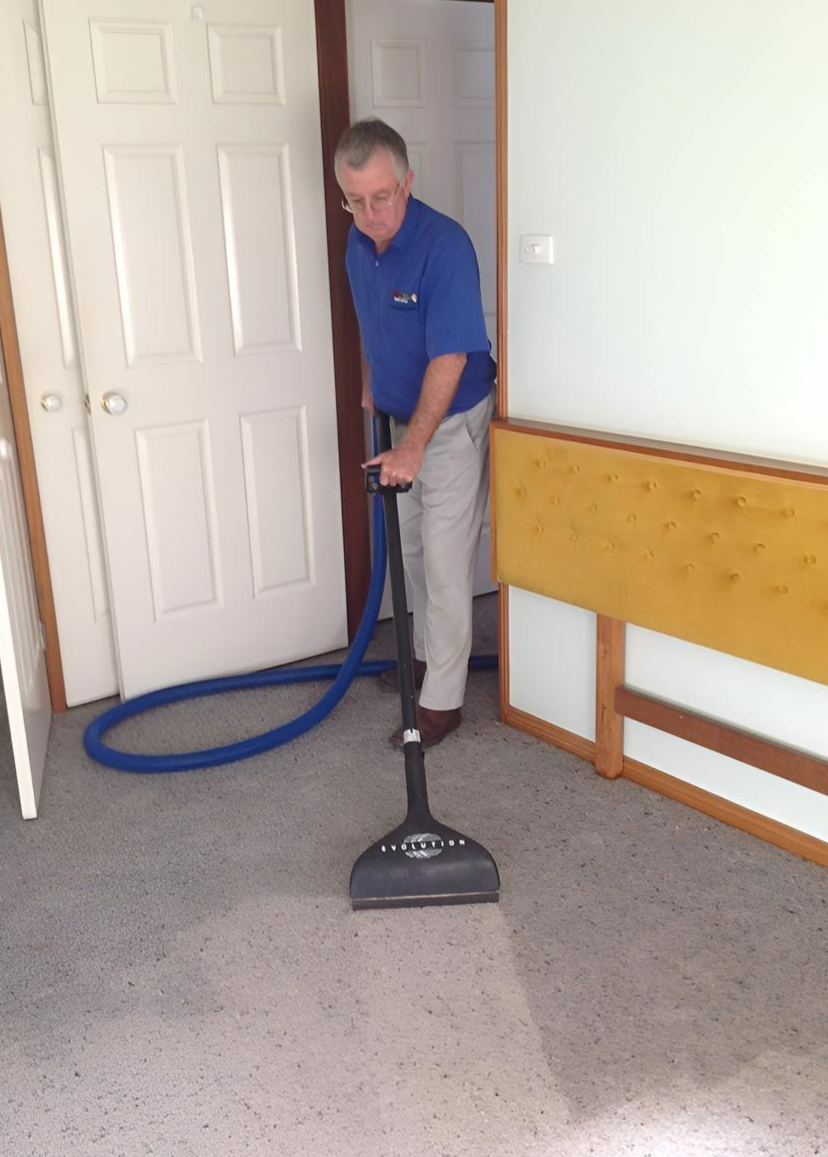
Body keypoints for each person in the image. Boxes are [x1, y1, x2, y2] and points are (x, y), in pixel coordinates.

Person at [335, 118, 496, 749]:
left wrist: (412, 444)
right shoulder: (357, 242)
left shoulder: (444, 247)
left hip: (450, 422)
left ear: (408, 181)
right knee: (410, 555)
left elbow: (450, 358)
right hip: (402, 423)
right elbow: (373, 316)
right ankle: (426, 662)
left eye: (382, 196)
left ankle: (444, 703)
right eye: (355, 200)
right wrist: (374, 379)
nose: (371, 213)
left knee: (447, 563)